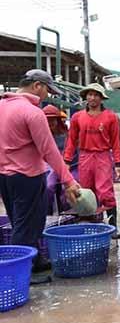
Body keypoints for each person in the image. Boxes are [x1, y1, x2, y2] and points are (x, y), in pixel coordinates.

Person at [0, 69, 81, 283]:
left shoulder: (1, 106)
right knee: (28, 226)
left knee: (19, 222)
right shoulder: (32, 112)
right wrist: (69, 180)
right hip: (28, 176)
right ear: (37, 86)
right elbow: (49, 151)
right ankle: (19, 276)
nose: (47, 95)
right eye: (47, 90)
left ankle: (35, 262)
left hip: (5, 177)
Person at [64, 83, 120, 236]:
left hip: (103, 156)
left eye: (96, 95)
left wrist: (118, 163)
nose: (92, 98)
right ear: (85, 97)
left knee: (105, 192)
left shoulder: (111, 117)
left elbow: (116, 141)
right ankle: (89, 223)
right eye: (90, 94)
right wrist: (67, 161)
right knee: (85, 192)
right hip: (84, 156)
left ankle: (112, 225)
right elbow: (71, 140)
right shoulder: (77, 117)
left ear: (102, 98)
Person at [44, 105, 77, 215]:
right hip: (49, 167)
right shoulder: (40, 134)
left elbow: (74, 154)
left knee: (69, 190)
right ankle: (47, 215)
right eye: (47, 120)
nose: (50, 123)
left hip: (68, 167)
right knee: (48, 187)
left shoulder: (67, 135)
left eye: (53, 119)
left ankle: (70, 215)